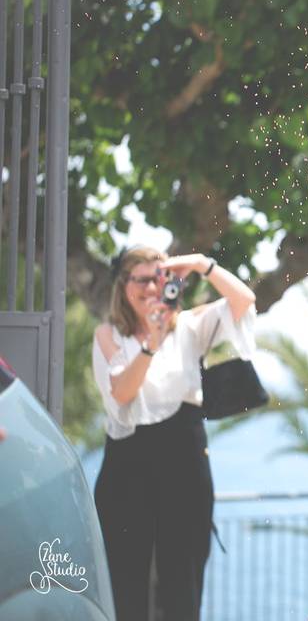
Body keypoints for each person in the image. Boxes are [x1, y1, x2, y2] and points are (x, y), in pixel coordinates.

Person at [91, 246, 256, 621]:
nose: (151, 287)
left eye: (159, 277)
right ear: (124, 284)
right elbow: (121, 392)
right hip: (127, 465)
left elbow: (243, 299)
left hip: (184, 458)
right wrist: (151, 337)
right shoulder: (109, 334)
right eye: (142, 278)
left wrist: (201, 264)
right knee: (124, 579)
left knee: (183, 578)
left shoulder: (190, 326)